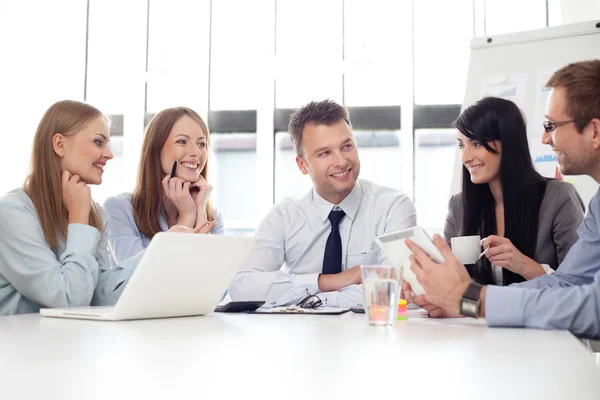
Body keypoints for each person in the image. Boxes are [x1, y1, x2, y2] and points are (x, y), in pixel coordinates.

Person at [406, 60, 600, 339]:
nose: (544, 139)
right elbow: (568, 282)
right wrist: (464, 302)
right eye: (462, 144)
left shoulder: (557, 197)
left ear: (594, 131)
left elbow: (591, 306)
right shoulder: (598, 206)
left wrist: (471, 299)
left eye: (552, 125)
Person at [229, 99, 417, 308]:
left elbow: (393, 289)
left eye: (346, 147)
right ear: (302, 165)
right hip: (301, 337)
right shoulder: (283, 216)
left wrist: (311, 298)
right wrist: (327, 281)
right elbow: (242, 287)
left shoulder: (393, 207)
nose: (341, 161)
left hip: (374, 336)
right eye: (325, 153)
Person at [0, 101, 133, 314]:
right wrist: (79, 219)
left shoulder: (96, 214)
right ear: (59, 145)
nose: (109, 154)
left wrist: (157, 254)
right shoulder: (12, 212)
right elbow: (70, 300)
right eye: (98, 142)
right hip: (19, 344)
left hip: (66, 341)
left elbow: (97, 294)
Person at [446, 96, 584, 286]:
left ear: (508, 143)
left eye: (476, 143)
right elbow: (454, 285)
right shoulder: (459, 206)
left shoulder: (558, 198)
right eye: (462, 145)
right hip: (480, 316)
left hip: (541, 314)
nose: (466, 157)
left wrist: (523, 265)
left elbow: (580, 288)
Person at [104, 107, 223, 264]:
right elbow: (140, 280)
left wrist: (199, 212)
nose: (196, 152)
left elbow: (220, 286)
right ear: (156, 149)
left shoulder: (211, 215)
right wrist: (187, 217)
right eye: (182, 141)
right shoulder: (119, 209)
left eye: (202, 144)